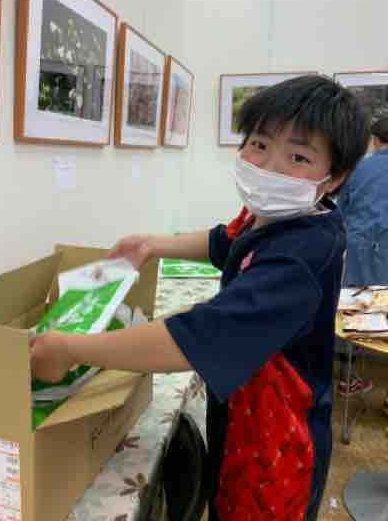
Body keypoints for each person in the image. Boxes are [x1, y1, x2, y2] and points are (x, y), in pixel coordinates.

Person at [31, 75, 370, 521]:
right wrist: (153, 244)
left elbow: (198, 338)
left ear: (334, 177)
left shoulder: (300, 257)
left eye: (299, 157)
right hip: (243, 409)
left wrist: (71, 349)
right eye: (260, 144)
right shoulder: (278, 213)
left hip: (276, 447)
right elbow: (227, 240)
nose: (270, 167)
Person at [336, 117, 388, 399]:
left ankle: (348, 378)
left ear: (375, 141)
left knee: (353, 311)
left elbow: (340, 212)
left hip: (359, 248)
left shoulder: (358, 169)